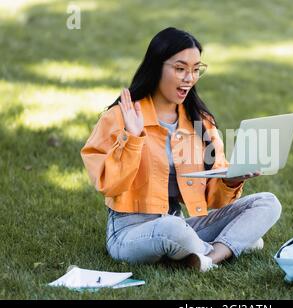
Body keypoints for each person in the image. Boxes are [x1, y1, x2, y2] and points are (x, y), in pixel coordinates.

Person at [80, 27, 282, 272]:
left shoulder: (200, 122)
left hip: (180, 223)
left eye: (196, 69)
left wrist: (232, 180)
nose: (190, 78)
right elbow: (109, 185)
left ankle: (209, 255)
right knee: (173, 229)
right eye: (180, 68)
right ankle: (232, 243)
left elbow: (213, 199)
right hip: (129, 231)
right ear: (157, 68)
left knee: (267, 202)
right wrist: (132, 138)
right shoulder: (120, 116)